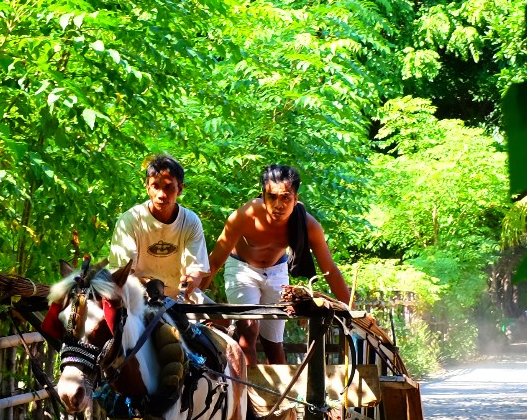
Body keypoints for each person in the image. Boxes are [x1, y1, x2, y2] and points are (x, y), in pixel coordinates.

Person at [199, 163, 351, 363]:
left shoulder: (309, 225)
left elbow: (329, 268)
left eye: (285, 198)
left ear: (295, 199)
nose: (278, 205)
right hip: (242, 269)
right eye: (272, 197)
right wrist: (193, 296)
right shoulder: (244, 216)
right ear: (263, 195)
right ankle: (247, 392)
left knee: (273, 343)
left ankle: (280, 393)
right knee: (248, 331)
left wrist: (350, 309)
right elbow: (215, 260)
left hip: (277, 270)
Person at [108, 153, 210, 298]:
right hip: (136, 297)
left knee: (225, 318)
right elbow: (123, 275)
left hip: (181, 299)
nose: (161, 194)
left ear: (180, 189)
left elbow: (196, 270)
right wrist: (150, 285)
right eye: (155, 186)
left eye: (169, 187)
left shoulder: (190, 221)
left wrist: (191, 280)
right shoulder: (129, 221)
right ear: (147, 188)